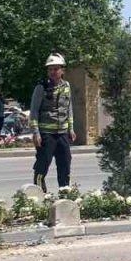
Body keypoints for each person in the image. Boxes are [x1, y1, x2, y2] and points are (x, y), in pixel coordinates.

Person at [30, 53, 75, 192]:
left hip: (62, 134)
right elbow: (34, 111)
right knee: (42, 164)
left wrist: (71, 129)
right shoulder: (41, 87)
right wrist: (36, 133)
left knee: (65, 164)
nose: (53, 72)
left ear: (62, 70)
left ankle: (64, 192)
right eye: (50, 69)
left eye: (56, 69)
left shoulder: (66, 86)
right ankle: (38, 192)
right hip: (46, 134)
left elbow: (69, 108)